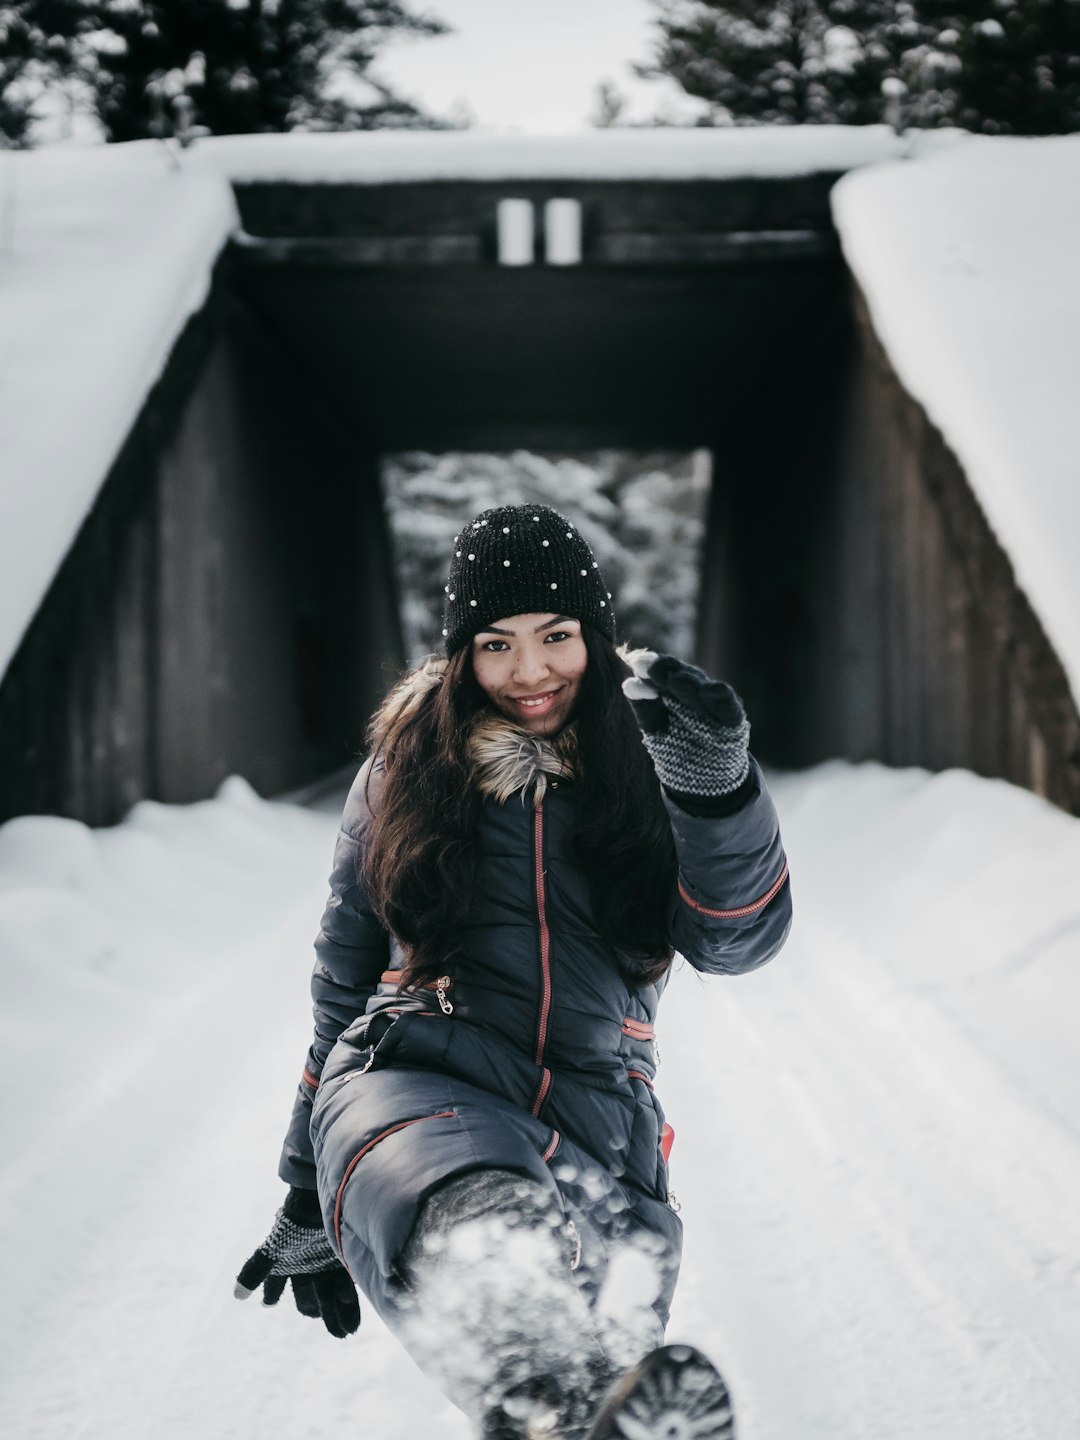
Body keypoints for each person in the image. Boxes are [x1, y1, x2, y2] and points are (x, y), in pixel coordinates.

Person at [235, 503, 791, 1439]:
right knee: (483, 1214)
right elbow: (341, 983)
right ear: (461, 656)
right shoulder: (405, 766)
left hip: (595, 1108)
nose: (529, 672)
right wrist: (303, 1187)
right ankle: (546, 1391)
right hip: (413, 1075)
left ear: (597, 638)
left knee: (605, 1372)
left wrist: (717, 791)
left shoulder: (652, 762)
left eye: (557, 637)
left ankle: (566, 1409)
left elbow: (734, 939)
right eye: (495, 644)